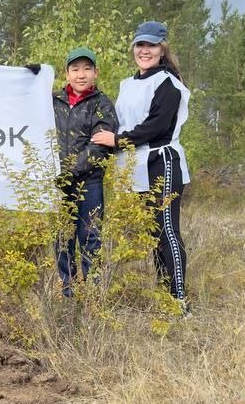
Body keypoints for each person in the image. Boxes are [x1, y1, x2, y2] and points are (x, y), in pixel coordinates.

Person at [92, 21, 191, 313]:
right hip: (135, 166)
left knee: (167, 230)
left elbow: (155, 126)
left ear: (162, 49)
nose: (144, 51)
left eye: (151, 45)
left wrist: (118, 140)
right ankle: (163, 296)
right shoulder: (128, 83)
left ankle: (178, 302)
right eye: (140, 45)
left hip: (162, 162)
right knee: (151, 233)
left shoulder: (169, 84)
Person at [53, 47, 118, 297]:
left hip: (89, 184)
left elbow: (100, 146)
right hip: (58, 186)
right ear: (67, 73)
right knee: (62, 239)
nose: (81, 75)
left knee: (90, 238)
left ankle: (92, 297)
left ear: (95, 73)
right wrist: (30, 78)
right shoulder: (51, 101)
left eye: (87, 69)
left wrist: (69, 170)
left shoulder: (101, 104)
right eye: (75, 69)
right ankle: (68, 294)